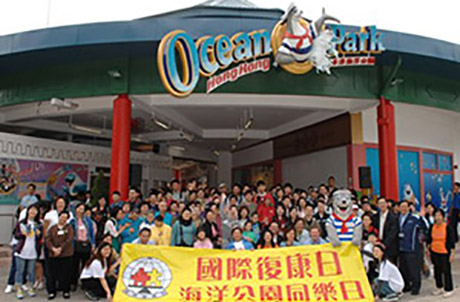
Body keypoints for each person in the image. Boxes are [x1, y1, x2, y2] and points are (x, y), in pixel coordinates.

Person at [13, 204, 42, 299]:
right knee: (20, 270)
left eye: (35, 210)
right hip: (22, 250)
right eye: (31, 210)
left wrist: (39, 234)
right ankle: (19, 289)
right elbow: (16, 234)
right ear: (28, 211)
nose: (33, 212)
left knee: (31, 271)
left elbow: (40, 238)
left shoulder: (39, 224)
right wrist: (22, 234)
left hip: (32, 251)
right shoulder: (21, 222)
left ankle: (31, 287)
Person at [426, 209, 456, 298]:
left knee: (446, 271)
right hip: (434, 251)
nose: (437, 217)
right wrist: (428, 249)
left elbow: (452, 242)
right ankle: (439, 287)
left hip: (444, 252)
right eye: (436, 215)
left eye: (439, 215)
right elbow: (429, 239)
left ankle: (449, 289)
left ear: (443, 217)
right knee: (437, 271)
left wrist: (452, 254)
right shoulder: (432, 227)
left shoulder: (447, 227)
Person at [45, 211, 74, 300]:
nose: (63, 219)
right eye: (62, 217)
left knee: (65, 273)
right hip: (53, 254)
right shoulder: (52, 228)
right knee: (52, 273)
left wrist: (60, 248)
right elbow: (48, 239)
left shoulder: (69, 228)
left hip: (66, 254)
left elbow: (69, 240)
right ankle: (51, 291)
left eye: (65, 217)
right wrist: (53, 249)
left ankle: (65, 290)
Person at [398, 200, 423, 295]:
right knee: (404, 268)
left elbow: (423, 227)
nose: (403, 208)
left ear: (409, 207)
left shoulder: (413, 218)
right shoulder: (398, 218)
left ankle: (416, 287)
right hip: (401, 247)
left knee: (413, 269)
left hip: (411, 248)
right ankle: (407, 285)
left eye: (405, 206)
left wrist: (421, 216)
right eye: (401, 206)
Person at [70, 203, 96, 290]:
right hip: (76, 244)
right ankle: (73, 282)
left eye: (82, 209)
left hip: (86, 243)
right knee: (74, 265)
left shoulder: (88, 220)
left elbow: (91, 233)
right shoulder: (72, 221)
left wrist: (93, 244)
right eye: (79, 208)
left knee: (86, 264)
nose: (80, 210)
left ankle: (85, 283)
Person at [373, 197, 399, 264]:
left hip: (390, 247)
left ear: (387, 204)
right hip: (378, 245)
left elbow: (393, 233)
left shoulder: (393, 217)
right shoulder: (375, 217)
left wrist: (384, 244)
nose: (382, 205)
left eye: (383, 203)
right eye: (380, 203)